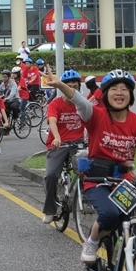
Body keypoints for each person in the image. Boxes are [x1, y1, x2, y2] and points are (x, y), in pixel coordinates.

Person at [44, 69, 136, 265]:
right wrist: (60, 85)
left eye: (124, 89)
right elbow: (80, 101)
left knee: (132, 229)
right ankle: (91, 242)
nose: (119, 92)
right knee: (109, 213)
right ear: (105, 94)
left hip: (123, 181)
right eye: (114, 88)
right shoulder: (96, 116)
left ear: (130, 94)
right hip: (96, 180)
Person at [41, 71, 87, 224]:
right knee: (51, 175)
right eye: (69, 86)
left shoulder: (82, 103)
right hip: (58, 144)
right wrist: (57, 137)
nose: (72, 89)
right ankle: (50, 209)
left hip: (78, 144)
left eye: (75, 87)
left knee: (93, 169)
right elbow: (52, 121)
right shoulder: (55, 103)